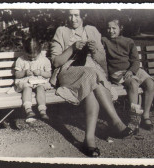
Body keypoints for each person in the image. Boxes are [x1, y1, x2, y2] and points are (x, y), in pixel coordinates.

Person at [50, 9, 134, 157]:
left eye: (76, 15)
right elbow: (56, 62)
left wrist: (95, 51)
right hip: (68, 73)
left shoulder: (92, 31)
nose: (73, 19)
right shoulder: (61, 31)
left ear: (83, 16)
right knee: (92, 74)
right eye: (70, 15)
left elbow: (102, 61)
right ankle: (115, 121)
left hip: (90, 75)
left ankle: (89, 140)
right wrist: (71, 48)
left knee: (91, 82)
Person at [102, 18, 154, 132]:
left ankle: (145, 116)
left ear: (120, 28)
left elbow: (136, 61)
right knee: (133, 84)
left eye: (114, 28)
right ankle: (134, 121)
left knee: (150, 83)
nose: (111, 31)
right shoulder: (104, 41)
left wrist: (131, 71)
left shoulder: (129, 41)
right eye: (108, 28)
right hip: (117, 71)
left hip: (132, 69)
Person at [14, 37, 52, 122]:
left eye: (35, 57)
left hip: (39, 82)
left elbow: (49, 74)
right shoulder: (21, 60)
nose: (32, 59)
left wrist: (41, 73)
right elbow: (17, 74)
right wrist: (24, 73)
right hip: (26, 82)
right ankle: (28, 110)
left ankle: (42, 110)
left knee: (40, 88)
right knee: (27, 88)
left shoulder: (45, 60)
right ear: (24, 51)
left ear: (39, 52)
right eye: (29, 57)